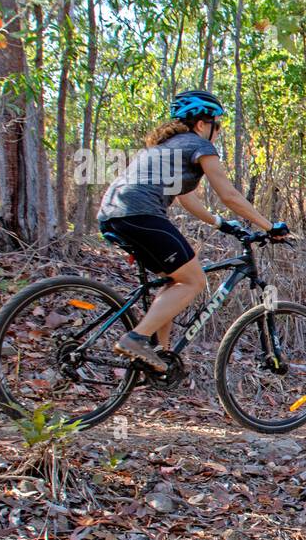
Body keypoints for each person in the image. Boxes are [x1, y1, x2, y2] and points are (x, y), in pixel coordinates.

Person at [96, 89, 288, 372]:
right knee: (194, 281)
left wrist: (221, 224)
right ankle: (136, 338)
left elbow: (187, 198)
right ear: (202, 124)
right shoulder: (198, 145)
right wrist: (270, 227)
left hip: (114, 215)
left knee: (174, 281)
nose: (218, 132)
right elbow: (229, 195)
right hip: (140, 214)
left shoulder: (168, 147)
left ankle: (158, 355)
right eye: (217, 125)